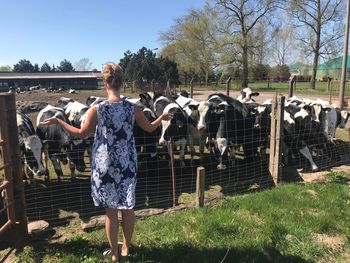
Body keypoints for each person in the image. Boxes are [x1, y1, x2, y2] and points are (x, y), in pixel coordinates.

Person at [40, 63, 172, 262]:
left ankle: (115, 254)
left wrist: (59, 121)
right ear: (122, 83)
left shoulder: (97, 109)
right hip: (127, 162)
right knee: (128, 207)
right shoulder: (133, 108)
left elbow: (80, 133)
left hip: (105, 165)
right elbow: (150, 128)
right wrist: (161, 117)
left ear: (105, 83)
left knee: (111, 211)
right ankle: (126, 246)